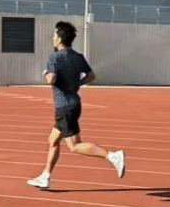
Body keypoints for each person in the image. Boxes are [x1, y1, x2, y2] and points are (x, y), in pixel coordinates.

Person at [27, 21, 125, 189]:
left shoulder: (55, 57)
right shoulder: (77, 57)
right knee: (53, 140)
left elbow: (51, 79)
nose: (53, 38)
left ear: (59, 39)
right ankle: (45, 176)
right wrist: (77, 83)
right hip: (73, 104)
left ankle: (112, 156)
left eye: (54, 35)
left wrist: (45, 73)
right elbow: (91, 75)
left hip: (64, 107)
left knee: (74, 146)